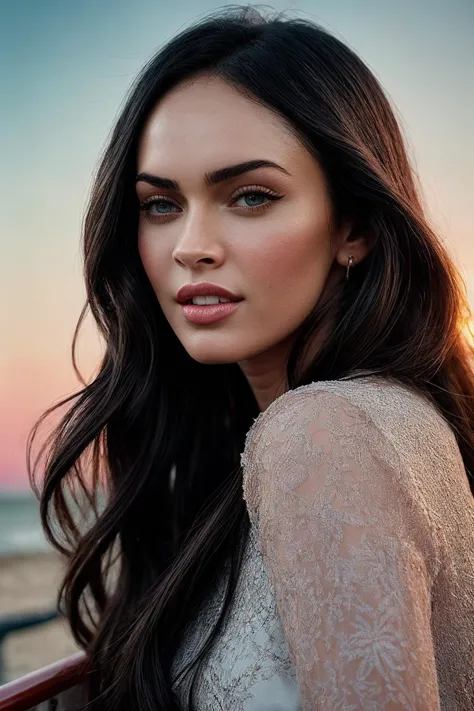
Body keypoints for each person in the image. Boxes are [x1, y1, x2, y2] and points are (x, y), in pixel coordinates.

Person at [27, 5, 474, 710]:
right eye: (160, 204)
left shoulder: (322, 433)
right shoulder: (386, 416)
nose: (190, 246)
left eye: (251, 196)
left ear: (352, 227)